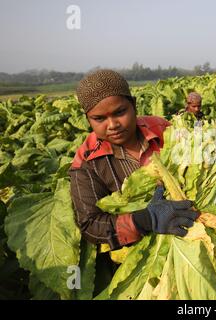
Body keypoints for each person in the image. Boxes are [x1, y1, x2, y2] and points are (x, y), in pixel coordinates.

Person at [70, 69, 198, 253]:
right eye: (99, 119)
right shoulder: (86, 162)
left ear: (134, 105)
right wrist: (146, 220)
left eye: (120, 112)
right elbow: (90, 225)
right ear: (88, 120)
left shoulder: (163, 130)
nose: (113, 125)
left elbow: (198, 161)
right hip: (142, 253)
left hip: (192, 229)